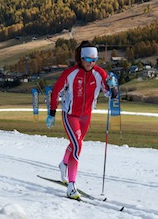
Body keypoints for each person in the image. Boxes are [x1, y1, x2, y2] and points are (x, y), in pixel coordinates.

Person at [45, 40, 118, 200]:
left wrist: (113, 87)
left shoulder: (99, 73)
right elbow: (56, 91)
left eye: (94, 60)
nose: (92, 64)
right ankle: (72, 185)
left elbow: (110, 94)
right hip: (70, 114)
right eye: (88, 60)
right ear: (81, 58)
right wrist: (51, 113)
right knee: (78, 146)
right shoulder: (70, 74)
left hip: (86, 115)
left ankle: (63, 164)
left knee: (74, 144)